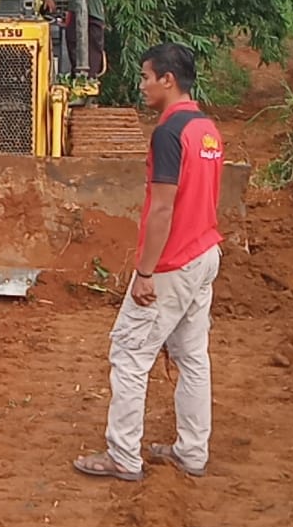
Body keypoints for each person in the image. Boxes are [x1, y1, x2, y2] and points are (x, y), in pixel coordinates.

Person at [74, 42, 224, 483]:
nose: (141, 86)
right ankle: (192, 452)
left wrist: (145, 272)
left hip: (174, 261)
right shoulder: (207, 129)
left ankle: (123, 455)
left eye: (145, 77)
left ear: (167, 79)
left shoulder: (169, 133)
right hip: (204, 253)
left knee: (129, 353)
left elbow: (163, 207)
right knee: (193, 356)